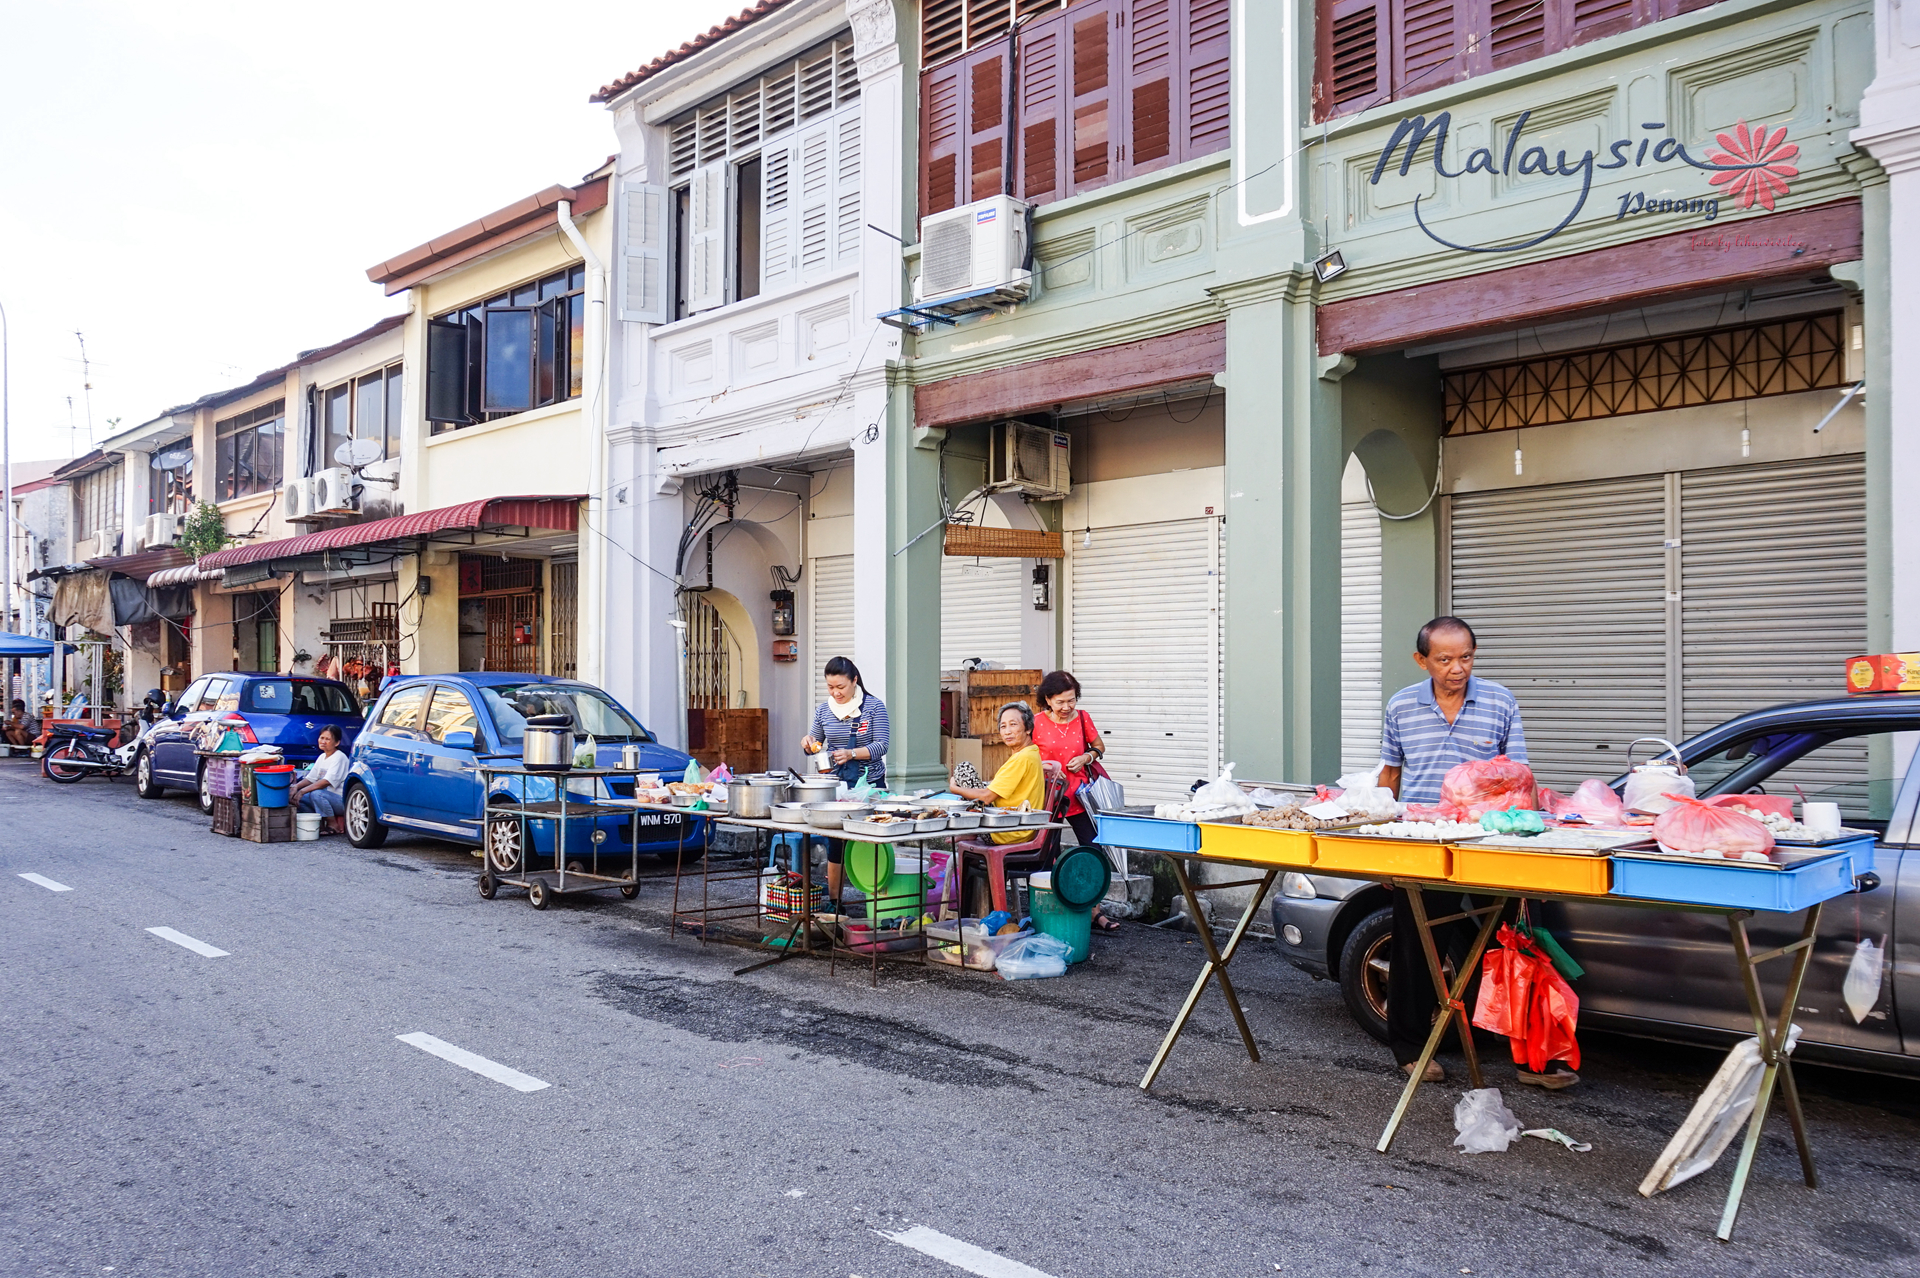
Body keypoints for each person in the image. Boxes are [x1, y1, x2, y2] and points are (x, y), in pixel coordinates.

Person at [1377, 617, 1570, 1089]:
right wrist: (1381, 847)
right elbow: (1390, 777)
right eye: (1444, 660)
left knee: (1515, 944)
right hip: (1423, 841)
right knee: (1416, 946)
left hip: (1491, 842)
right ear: (1422, 660)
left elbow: (1520, 776)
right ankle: (1410, 1049)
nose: (1457, 668)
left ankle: (1533, 1060)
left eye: (1465, 657)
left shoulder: (1500, 701)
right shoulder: (1401, 705)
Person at [800, 656, 890, 911]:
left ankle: (878, 902)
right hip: (837, 785)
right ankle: (835, 902)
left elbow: (882, 745)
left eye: (841, 687)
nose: (835, 692)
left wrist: (852, 753)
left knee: (871, 840)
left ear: (854, 681)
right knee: (835, 842)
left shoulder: (873, 707)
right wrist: (808, 744)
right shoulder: (823, 710)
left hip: (869, 785)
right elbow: (816, 744)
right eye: (830, 687)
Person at [1031, 671, 1119, 932]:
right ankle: (1050, 910)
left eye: (1071, 701)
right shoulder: (1034, 723)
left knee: (1093, 850)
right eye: (1060, 702)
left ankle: (1094, 912)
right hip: (1050, 798)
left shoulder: (1082, 718)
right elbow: (1025, 757)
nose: (1067, 707)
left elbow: (1099, 746)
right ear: (1048, 699)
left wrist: (1086, 758)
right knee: (1048, 855)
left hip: (1081, 795)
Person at [948, 702, 1047, 844]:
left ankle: (971, 831)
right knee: (974, 785)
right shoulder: (1031, 752)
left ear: (1028, 728)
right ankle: (970, 831)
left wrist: (955, 789)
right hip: (1014, 824)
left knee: (964, 769)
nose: (1007, 732)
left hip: (1006, 830)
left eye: (1013, 724)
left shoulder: (1022, 758)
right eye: (1003, 726)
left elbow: (986, 797)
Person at [290, 726, 350, 834]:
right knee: (296, 797)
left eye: (327, 739)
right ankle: (319, 825)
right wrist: (296, 788)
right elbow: (310, 779)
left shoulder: (339, 757)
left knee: (317, 794)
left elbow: (326, 782)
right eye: (322, 738)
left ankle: (332, 824)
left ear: (336, 743)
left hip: (340, 801)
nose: (323, 741)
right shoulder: (322, 757)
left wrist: (303, 791)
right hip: (324, 799)